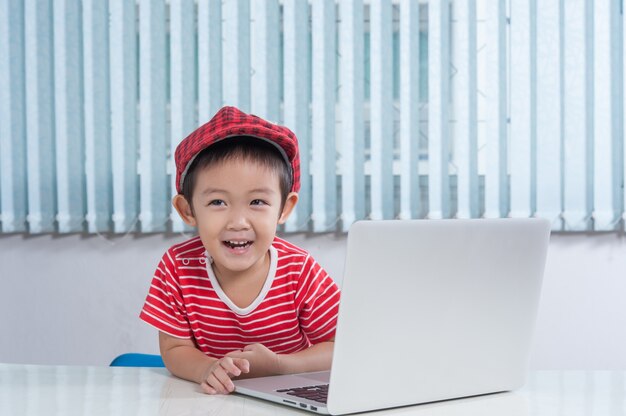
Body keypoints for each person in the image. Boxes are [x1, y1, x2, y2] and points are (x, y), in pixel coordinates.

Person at [139, 106, 340, 395]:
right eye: (218, 202)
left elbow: (341, 346)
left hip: (291, 396)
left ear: (284, 208)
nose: (238, 222)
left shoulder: (299, 270)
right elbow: (175, 348)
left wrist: (281, 365)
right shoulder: (177, 267)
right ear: (188, 210)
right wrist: (206, 369)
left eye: (257, 202)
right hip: (212, 401)